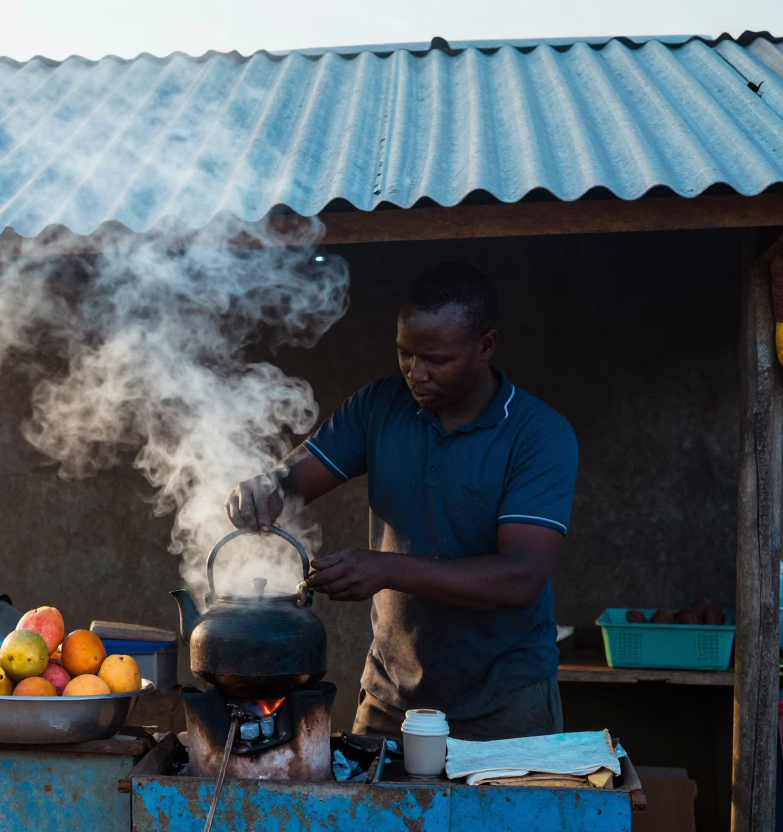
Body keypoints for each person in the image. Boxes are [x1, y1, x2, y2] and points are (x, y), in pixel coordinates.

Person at [225, 263, 577, 742]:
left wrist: (388, 569)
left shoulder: (538, 435)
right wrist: (265, 488)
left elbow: (519, 577)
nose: (416, 373)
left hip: (505, 702)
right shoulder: (380, 406)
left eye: (436, 359)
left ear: (486, 346)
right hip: (391, 701)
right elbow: (292, 480)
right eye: (404, 353)